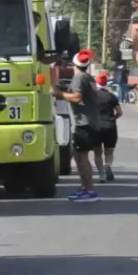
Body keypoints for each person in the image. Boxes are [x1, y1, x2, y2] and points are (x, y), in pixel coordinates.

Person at [51, 48, 101, 202]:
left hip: (84, 123)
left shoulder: (79, 77)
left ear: (74, 63)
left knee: (82, 157)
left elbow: (77, 97)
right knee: (78, 156)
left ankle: (89, 190)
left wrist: (59, 94)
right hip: (87, 122)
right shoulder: (86, 77)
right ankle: (85, 187)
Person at [93, 72, 123, 183]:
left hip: (96, 126)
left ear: (97, 82)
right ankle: (108, 165)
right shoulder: (112, 96)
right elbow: (120, 112)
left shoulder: (92, 96)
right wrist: (113, 118)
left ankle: (101, 175)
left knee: (97, 153)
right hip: (110, 126)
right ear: (107, 83)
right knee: (109, 152)